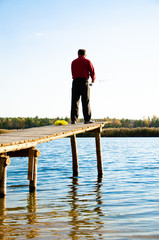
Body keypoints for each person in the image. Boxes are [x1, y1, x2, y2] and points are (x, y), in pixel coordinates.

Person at [71, 49, 96, 124]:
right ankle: (87, 119)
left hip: (75, 82)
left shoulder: (73, 62)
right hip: (84, 81)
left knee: (74, 101)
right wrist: (93, 80)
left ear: (78, 54)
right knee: (85, 101)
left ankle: (73, 119)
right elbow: (92, 72)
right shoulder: (87, 61)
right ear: (85, 54)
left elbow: (72, 72)